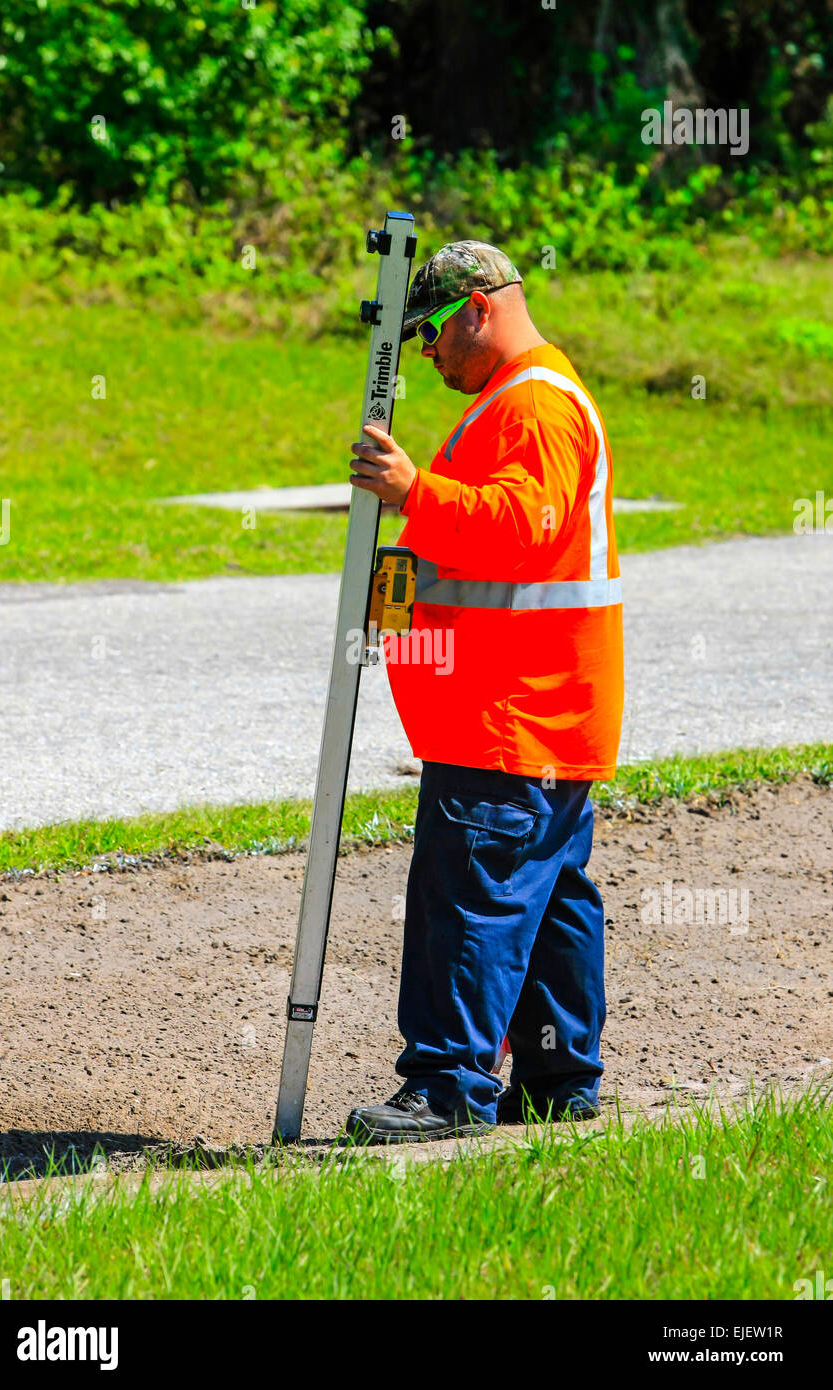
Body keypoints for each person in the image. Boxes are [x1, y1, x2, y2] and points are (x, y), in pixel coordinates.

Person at [345, 241, 624, 1143]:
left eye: (428, 332)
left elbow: (519, 527)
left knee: (471, 899)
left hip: (511, 714)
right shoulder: (525, 397)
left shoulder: (536, 404)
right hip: (536, 715)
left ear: (476, 305)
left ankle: (446, 1087)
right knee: (546, 901)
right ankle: (553, 1081)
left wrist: (414, 493)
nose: (423, 353)